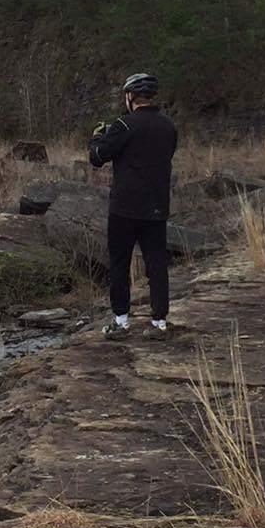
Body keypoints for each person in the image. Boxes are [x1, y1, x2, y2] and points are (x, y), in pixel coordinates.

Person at [88, 70, 178, 340]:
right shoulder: (168, 126)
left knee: (119, 263)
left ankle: (121, 321)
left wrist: (97, 138)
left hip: (124, 207)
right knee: (157, 264)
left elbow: (97, 157)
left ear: (130, 96)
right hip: (157, 205)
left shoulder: (123, 125)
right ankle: (159, 322)